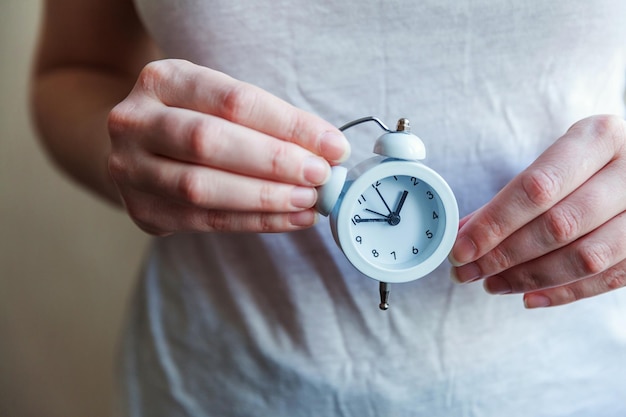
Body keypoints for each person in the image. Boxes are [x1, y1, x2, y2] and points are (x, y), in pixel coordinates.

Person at [31, 0, 626, 416]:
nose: (396, 219)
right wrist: (131, 160)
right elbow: (73, 67)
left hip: (570, 388)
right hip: (224, 384)